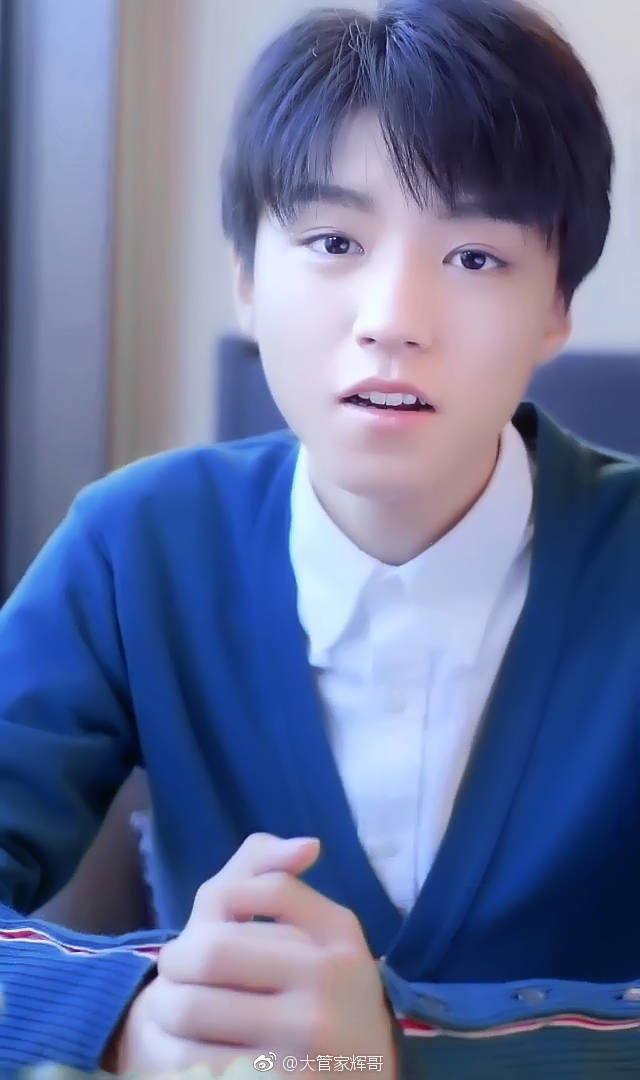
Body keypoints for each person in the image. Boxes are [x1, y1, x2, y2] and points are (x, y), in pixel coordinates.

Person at [0, 0, 637, 1075]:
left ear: (556, 308)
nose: (393, 318)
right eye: (334, 242)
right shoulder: (134, 547)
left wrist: (402, 1049)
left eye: (474, 256)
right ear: (249, 278)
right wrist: (130, 1017)